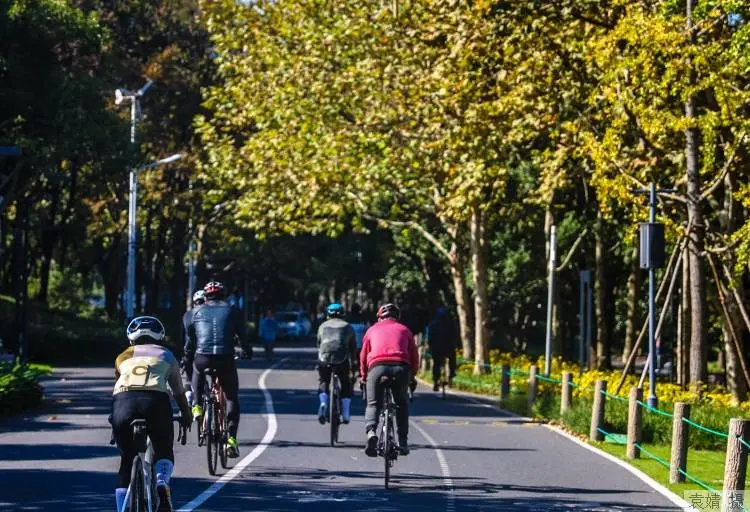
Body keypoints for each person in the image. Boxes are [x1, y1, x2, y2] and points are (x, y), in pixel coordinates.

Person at [112, 316, 192, 512]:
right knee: (163, 450)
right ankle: (161, 480)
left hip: (123, 403)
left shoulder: (122, 357)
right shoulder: (166, 356)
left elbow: (119, 383)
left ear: (131, 338)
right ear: (160, 338)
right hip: (156, 402)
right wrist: (186, 414)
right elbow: (178, 392)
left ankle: (121, 508)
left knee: (126, 460)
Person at [185, 281, 250, 459]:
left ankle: (197, 406)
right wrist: (246, 350)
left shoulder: (195, 312)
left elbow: (191, 341)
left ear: (205, 297)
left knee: (197, 370)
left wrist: (187, 355)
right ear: (225, 295)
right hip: (225, 357)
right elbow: (242, 336)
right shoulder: (232, 310)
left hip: (203, 356)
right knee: (231, 397)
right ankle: (231, 440)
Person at [359, 303, 419, 457]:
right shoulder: (405, 330)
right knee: (401, 404)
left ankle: (371, 432)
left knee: (373, 404)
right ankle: (403, 442)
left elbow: (363, 355)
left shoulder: (371, 330)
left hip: (377, 368)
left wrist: (364, 377)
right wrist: (411, 377)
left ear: (380, 317)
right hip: (401, 367)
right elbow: (414, 357)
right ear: (397, 317)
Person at [316, 303, 358, 424]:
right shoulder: (348, 326)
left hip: (324, 358)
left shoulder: (322, 326)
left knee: (324, 381)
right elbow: (353, 347)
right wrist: (354, 363)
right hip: (341, 359)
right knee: (345, 383)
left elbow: (319, 344)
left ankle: (323, 402)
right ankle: (345, 413)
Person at [426, 306, 458, 391]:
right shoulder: (450, 324)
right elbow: (454, 336)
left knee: (436, 364)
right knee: (452, 359)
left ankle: (436, 381)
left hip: (436, 348)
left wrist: (429, 346)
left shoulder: (433, 324)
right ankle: (452, 373)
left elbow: (429, 338)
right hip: (448, 348)